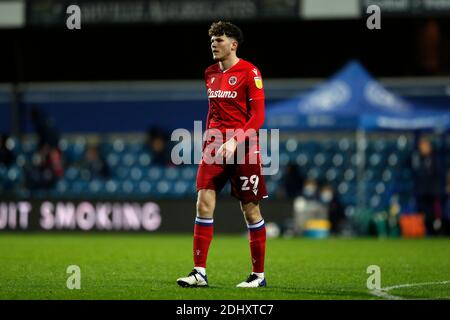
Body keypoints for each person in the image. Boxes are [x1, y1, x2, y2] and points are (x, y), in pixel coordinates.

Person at [177, 21, 267, 288]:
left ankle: (258, 276)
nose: (214, 44)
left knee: (250, 211)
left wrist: (236, 140)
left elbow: (259, 117)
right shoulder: (209, 73)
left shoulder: (250, 72)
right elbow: (213, 112)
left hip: (244, 148)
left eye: (219, 40)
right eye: (212, 40)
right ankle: (199, 272)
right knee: (203, 203)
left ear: (233, 45)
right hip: (215, 146)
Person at [411, 136, 443, 235]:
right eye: (421, 146)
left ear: (429, 146)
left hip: (433, 192)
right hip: (421, 192)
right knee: (423, 215)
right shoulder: (418, 159)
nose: (422, 148)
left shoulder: (436, 159)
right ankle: (426, 232)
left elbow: (439, 174)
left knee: (434, 215)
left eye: (424, 146)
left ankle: (436, 232)